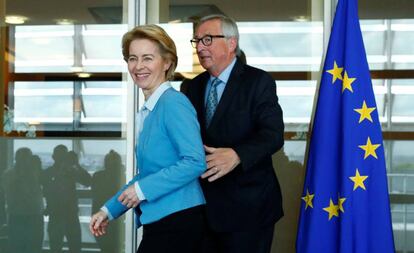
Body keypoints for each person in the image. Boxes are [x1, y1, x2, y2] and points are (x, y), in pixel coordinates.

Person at [89, 24, 206, 253]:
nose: (138, 66)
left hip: (179, 223)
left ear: (167, 62)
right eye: (133, 58)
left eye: (147, 58)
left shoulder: (173, 103)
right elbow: (148, 176)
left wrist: (141, 190)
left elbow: (195, 161)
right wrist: (108, 210)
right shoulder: (151, 109)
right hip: (163, 222)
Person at [185, 14, 285, 253]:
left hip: (248, 210)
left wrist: (237, 155)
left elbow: (273, 134)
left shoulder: (258, 81)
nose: (199, 47)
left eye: (207, 39)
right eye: (196, 41)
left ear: (231, 43)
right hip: (202, 209)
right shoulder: (191, 86)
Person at [42, 145, 92, 253]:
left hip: (57, 214)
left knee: (56, 247)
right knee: (74, 247)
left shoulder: (48, 173)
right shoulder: (70, 172)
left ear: (53, 156)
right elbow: (88, 181)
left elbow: (88, 181)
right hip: (69, 214)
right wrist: (76, 165)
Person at [2, 148, 44, 253]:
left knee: (33, 246)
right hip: (19, 215)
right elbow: (12, 189)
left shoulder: (34, 173)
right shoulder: (9, 174)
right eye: (24, 158)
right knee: (18, 246)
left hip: (32, 214)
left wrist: (38, 169)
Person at [91, 150, 125, 253]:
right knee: (112, 246)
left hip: (106, 215)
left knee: (107, 245)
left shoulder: (98, 176)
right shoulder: (121, 176)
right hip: (112, 216)